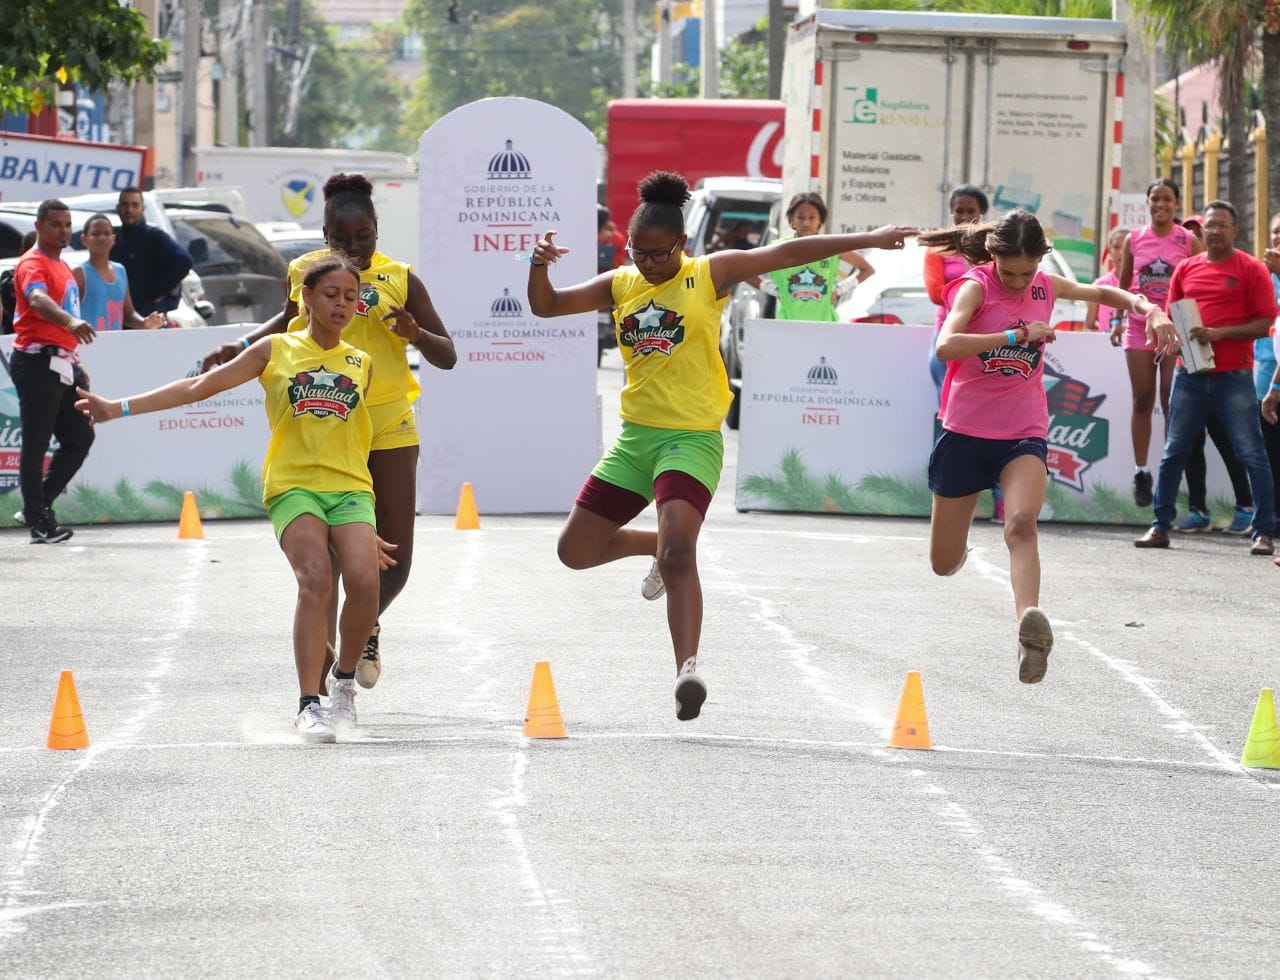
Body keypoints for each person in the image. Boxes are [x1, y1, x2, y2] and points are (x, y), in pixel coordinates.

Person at [526, 170, 915, 719]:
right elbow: (546, 305)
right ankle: (655, 547)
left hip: (691, 440)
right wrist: (538, 264)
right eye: (639, 252)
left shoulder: (709, 274)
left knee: (680, 553)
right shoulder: (620, 283)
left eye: (659, 254)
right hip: (635, 440)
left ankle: (687, 670)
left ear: (681, 245)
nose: (648, 263)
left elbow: (789, 252)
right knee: (575, 552)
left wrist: (869, 239)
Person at [75, 255, 395, 743]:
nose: (342, 305)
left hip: (351, 487)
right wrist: (116, 408)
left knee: (366, 582)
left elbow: (358, 438)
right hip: (294, 484)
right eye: (331, 295)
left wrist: (367, 527)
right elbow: (200, 386)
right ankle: (308, 704)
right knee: (314, 579)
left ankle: (344, 684)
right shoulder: (275, 349)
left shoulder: (361, 363)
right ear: (306, 298)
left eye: (350, 297)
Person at [200, 173, 456, 690]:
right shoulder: (306, 272)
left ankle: (364, 626)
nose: (354, 248)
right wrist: (239, 347)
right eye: (342, 239)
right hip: (328, 425)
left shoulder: (401, 278)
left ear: (378, 230)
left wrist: (416, 333)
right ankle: (324, 672)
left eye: (364, 237)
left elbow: (447, 355)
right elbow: (286, 325)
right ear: (324, 235)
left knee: (395, 561)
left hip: (387, 425)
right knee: (333, 560)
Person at [922, 210, 1174, 684]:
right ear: (993, 257)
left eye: (1028, 272)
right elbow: (946, 346)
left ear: (1041, 261)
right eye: (1009, 272)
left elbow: (1102, 293)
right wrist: (1017, 335)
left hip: (1024, 430)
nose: (1019, 283)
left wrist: (1150, 309)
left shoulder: (1045, 286)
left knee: (1022, 523)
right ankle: (958, 551)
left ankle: (1028, 631)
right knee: (943, 563)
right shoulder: (976, 287)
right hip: (965, 430)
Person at [1136, 200, 1277, 555]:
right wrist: (1174, 341)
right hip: (1190, 375)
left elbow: (1265, 323)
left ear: (1235, 230)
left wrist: (1218, 334)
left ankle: (1263, 531)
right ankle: (1160, 526)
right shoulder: (1186, 268)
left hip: (1234, 376)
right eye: (1209, 225)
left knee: (1252, 454)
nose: (1213, 231)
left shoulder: (1251, 269)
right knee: (1174, 452)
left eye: (1221, 225)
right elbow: (1171, 316)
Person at [8, 200, 96, 543]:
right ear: (39, 226)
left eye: (68, 224)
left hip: (62, 362)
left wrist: (76, 363)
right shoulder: (32, 263)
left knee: (80, 437)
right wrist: (70, 321)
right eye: (56, 224)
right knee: (37, 441)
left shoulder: (62, 265)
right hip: (36, 362)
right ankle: (39, 521)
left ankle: (38, 506)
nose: (64, 231)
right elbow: (38, 300)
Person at [1117, 179, 1204, 507]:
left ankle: (1171, 475)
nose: (1161, 205)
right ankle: (1141, 473)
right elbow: (1123, 285)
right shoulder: (1134, 238)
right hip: (1140, 325)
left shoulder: (1188, 240)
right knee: (1142, 399)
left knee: (1172, 400)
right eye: (1155, 199)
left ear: (1176, 204)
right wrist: (1116, 320)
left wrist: (1198, 322)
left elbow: (1203, 280)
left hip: (1177, 324)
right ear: (1148, 203)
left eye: (1167, 199)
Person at [767, 191, 875, 323]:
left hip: (825, 325)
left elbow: (867, 269)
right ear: (791, 219)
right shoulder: (779, 248)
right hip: (788, 325)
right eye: (800, 217)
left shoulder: (832, 246)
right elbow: (747, 268)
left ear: (820, 219)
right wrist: (772, 289)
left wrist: (839, 290)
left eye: (812, 217)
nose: (806, 223)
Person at [925, 185, 990, 394]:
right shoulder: (937, 248)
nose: (965, 217)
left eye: (971, 211)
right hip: (948, 331)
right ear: (951, 212)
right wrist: (977, 296)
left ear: (982, 212)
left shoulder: (993, 248)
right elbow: (935, 293)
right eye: (959, 211)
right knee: (946, 396)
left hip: (987, 333)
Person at [74, 214, 166, 332]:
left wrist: (145, 323)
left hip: (116, 342)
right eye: (95, 234)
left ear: (114, 239)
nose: (102, 238)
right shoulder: (79, 273)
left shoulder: (120, 270)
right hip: (89, 343)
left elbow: (128, 314)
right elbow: (68, 316)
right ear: (84, 239)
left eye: (107, 233)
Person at [110, 187, 193, 317]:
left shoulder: (154, 237)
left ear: (143, 208)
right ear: (118, 208)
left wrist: (157, 291)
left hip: (149, 317)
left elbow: (184, 261)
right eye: (125, 205)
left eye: (135, 205)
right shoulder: (116, 240)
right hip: (120, 317)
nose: (129, 210)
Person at [1085, 227, 1128, 332]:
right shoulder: (1099, 285)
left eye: (1126, 247)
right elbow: (1088, 327)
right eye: (1117, 247)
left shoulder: (1142, 285)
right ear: (1109, 250)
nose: (1121, 252)